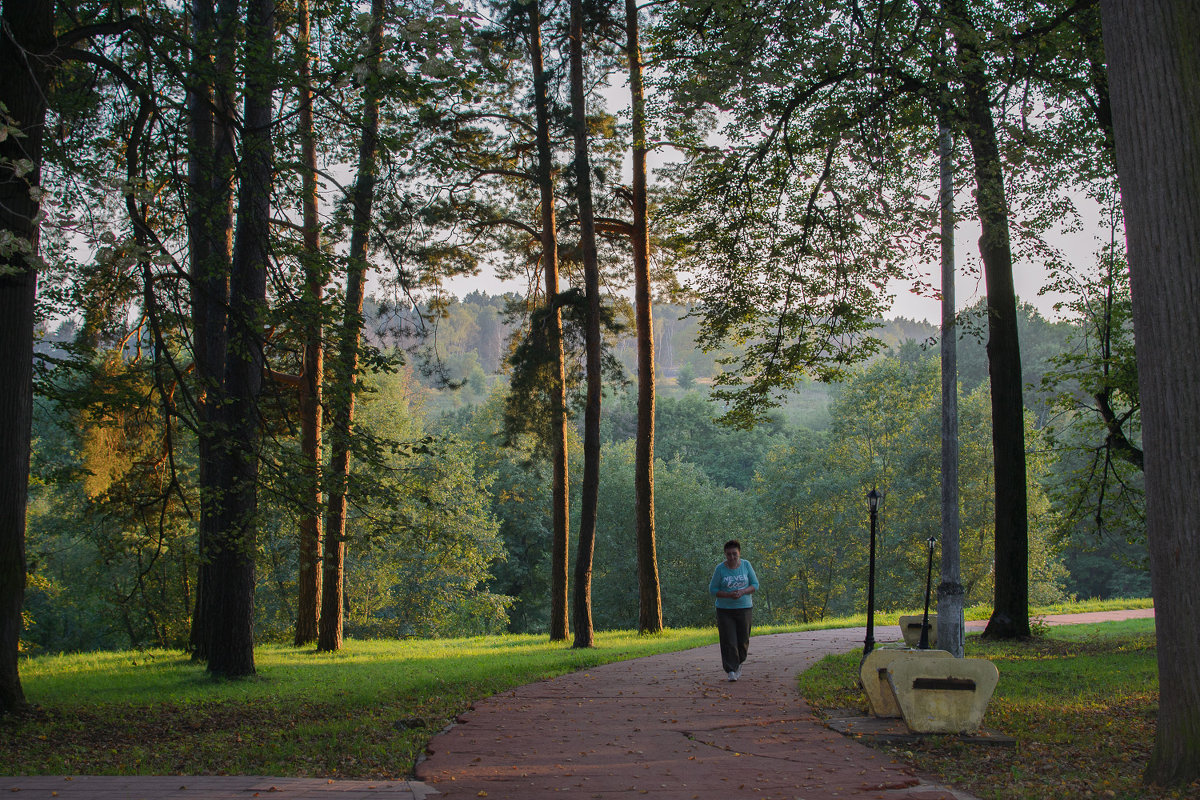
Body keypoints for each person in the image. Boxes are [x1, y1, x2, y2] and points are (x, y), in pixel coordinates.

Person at [708, 539, 758, 681]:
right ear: (725, 554)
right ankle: (731, 670)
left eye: (734, 554)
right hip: (725, 610)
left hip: (744, 608)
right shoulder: (720, 569)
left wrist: (743, 591)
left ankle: (739, 662)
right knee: (728, 640)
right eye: (729, 554)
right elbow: (713, 590)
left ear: (739, 553)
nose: (732, 557)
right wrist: (728, 594)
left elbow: (755, 584)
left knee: (743, 640)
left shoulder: (746, 565)